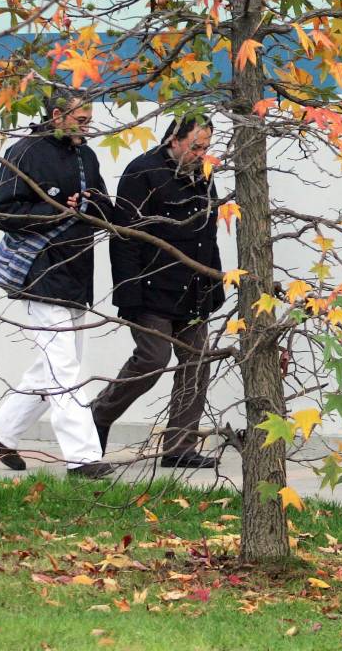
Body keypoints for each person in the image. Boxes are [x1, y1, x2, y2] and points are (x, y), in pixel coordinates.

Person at [0, 89, 115, 479]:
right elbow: (3, 211)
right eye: (81, 120)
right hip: (39, 273)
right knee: (65, 371)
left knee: (54, 366)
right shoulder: (24, 152)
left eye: (90, 120)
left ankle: (2, 427)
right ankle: (83, 457)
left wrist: (96, 205)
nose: (87, 128)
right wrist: (53, 209)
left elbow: (103, 205)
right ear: (57, 115)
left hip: (76, 273)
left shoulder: (85, 155)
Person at [91, 117, 224, 468]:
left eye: (206, 147)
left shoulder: (204, 175)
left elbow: (207, 234)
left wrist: (215, 283)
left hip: (193, 289)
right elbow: (125, 238)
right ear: (172, 140)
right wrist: (127, 294)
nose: (201, 154)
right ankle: (98, 416)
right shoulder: (142, 173)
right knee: (152, 359)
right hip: (151, 289)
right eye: (195, 146)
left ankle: (179, 447)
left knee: (197, 362)